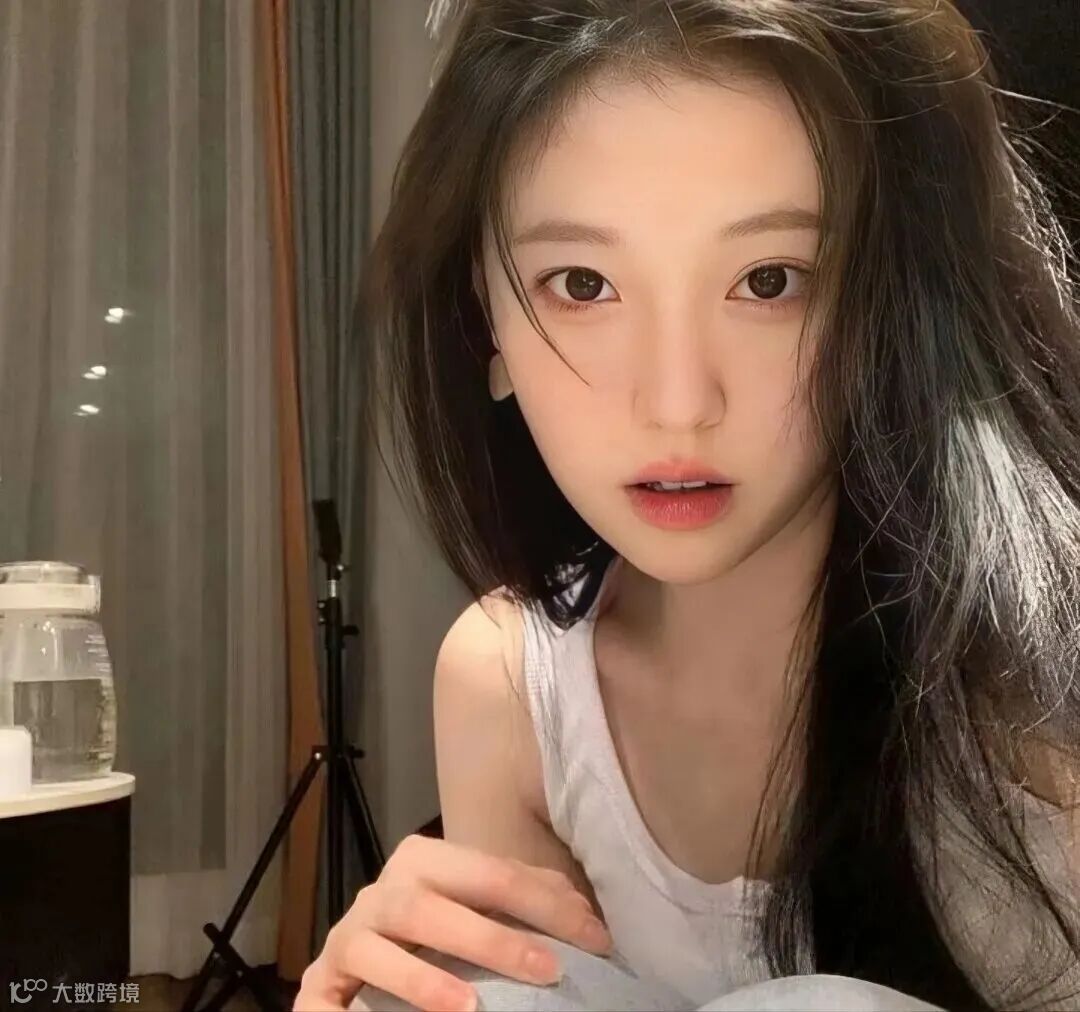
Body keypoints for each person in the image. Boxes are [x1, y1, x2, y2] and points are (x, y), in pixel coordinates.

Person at [294, 1, 1080, 1009]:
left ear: (895, 299)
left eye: (770, 280)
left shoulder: (1038, 688)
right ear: (485, 317)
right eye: (583, 283)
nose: (677, 403)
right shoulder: (514, 685)